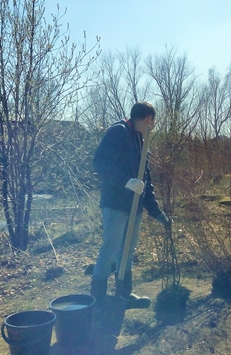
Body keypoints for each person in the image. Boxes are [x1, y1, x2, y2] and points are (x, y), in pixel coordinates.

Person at [91, 102, 169, 310]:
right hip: (116, 204)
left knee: (127, 252)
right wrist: (126, 181)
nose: (153, 125)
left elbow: (146, 181)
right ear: (148, 119)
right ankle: (97, 301)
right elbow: (100, 162)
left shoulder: (140, 141)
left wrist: (157, 212)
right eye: (153, 121)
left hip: (134, 208)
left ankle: (123, 296)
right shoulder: (119, 132)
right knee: (110, 251)